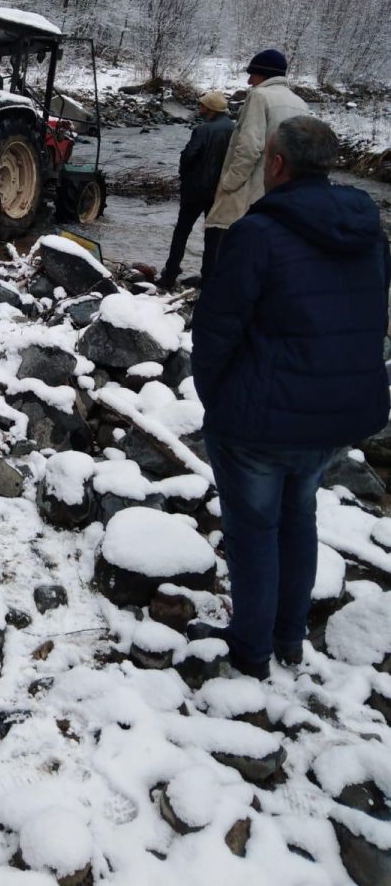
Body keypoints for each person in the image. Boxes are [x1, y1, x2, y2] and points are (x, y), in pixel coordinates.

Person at [191, 116, 391, 680]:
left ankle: (251, 653)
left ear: (275, 164)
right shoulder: (367, 231)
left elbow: (214, 330)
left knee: (254, 530)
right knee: (299, 516)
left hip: (261, 420)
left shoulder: (259, 232)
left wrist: (218, 398)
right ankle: (288, 637)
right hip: (337, 417)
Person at [204, 49, 308, 269]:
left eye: (253, 74)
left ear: (264, 74)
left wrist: (229, 183)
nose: (249, 80)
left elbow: (249, 147)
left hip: (249, 191)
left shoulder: (259, 97)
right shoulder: (300, 103)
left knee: (227, 256)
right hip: (282, 194)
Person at [157, 91, 234, 289]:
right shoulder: (234, 129)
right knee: (214, 236)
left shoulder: (203, 130)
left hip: (195, 190)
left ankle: (170, 274)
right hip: (221, 191)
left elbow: (189, 155)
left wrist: (184, 175)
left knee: (182, 232)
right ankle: (208, 279)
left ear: (211, 109)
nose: (199, 109)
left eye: (202, 106)